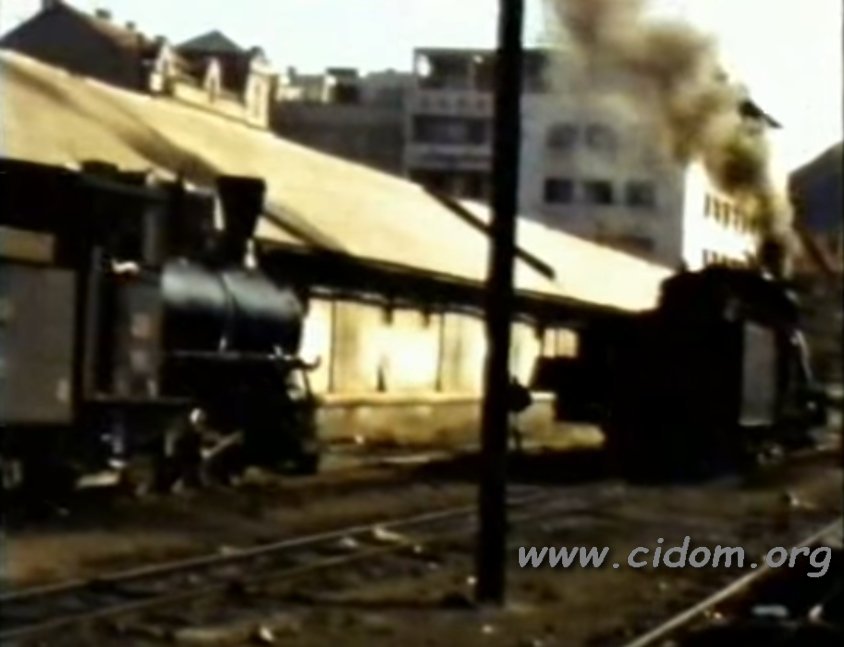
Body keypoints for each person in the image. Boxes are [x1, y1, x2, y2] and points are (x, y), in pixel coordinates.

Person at [508, 376, 533, 454]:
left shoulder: (510, 389)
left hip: (512, 410)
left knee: (514, 426)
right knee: (516, 426)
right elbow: (529, 401)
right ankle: (518, 445)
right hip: (519, 410)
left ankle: (517, 444)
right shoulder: (522, 389)